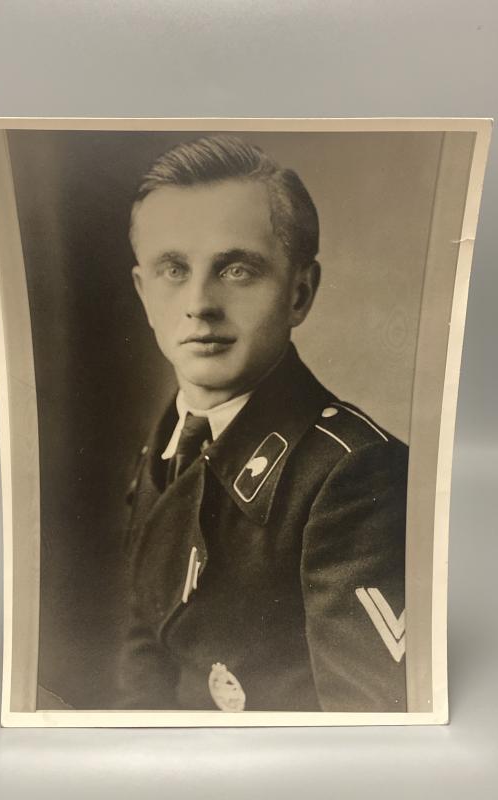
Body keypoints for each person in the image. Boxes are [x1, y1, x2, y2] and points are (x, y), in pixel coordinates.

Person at [116, 135, 408, 713]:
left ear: (299, 293)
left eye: (238, 269)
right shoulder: (167, 447)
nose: (199, 303)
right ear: (145, 295)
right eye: (174, 269)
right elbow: (145, 666)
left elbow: (372, 736)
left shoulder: (351, 475)